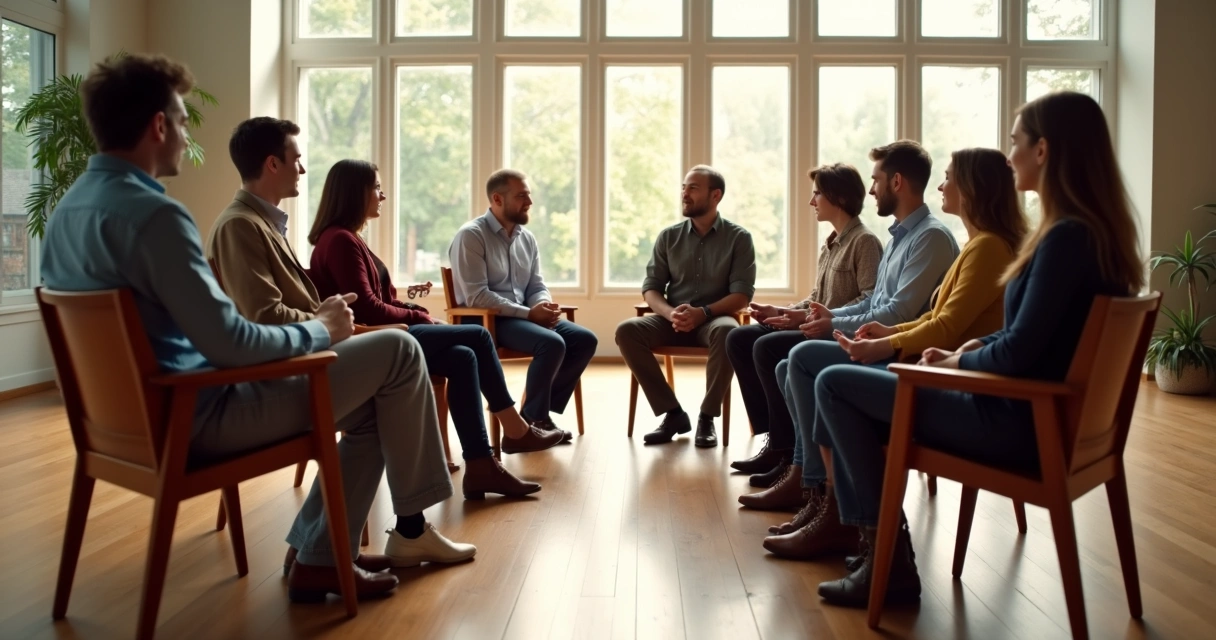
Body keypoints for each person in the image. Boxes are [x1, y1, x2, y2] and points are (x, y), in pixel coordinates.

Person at [40, 55, 473, 605]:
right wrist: (320, 330)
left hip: (123, 424)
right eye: (182, 119)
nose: (185, 133)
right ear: (158, 126)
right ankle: (400, 530)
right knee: (398, 352)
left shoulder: (66, 213)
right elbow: (231, 340)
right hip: (194, 419)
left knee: (374, 404)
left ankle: (326, 553)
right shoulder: (155, 216)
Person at [811, 91, 1144, 607]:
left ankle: (885, 558)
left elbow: (1017, 354)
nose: (1009, 156)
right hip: (1043, 419)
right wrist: (976, 345)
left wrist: (955, 359)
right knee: (850, 388)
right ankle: (871, 542)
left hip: (1015, 424)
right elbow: (1033, 336)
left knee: (834, 384)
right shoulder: (1097, 237)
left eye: (1016, 143)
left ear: (1044, 151)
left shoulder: (1063, 240)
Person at [761, 147, 1027, 558]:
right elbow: (933, 318)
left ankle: (833, 506)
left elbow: (944, 327)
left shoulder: (984, 247)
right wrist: (888, 332)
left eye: (950, 177)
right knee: (795, 364)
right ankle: (824, 499)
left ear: (972, 189)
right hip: (939, 367)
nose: (941, 184)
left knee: (811, 368)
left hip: (946, 379)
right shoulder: (976, 245)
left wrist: (883, 342)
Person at [307, 159, 565, 485]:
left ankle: (481, 465)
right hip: (371, 338)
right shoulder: (341, 241)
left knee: (462, 357)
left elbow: (383, 299)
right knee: (479, 337)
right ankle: (516, 430)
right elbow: (369, 309)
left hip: (384, 330)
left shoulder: (348, 239)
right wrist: (419, 316)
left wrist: (420, 312)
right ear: (353, 193)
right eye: (376, 187)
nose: (382, 195)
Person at [742, 140, 958, 517]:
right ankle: (808, 480)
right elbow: (872, 303)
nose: (870, 189)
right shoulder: (899, 238)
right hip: (875, 341)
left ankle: (813, 487)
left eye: (876, 180)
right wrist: (821, 317)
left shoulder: (930, 238)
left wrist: (830, 322)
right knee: (783, 364)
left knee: (797, 356)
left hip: (898, 352)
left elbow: (895, 313)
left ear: (896, 182)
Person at [725, 163, 882, 481]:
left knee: (766, 347)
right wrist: (780, 311)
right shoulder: (831, 243)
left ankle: (785, 449)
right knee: (739, 339)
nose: (812, 202)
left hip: (834, 333)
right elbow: (815, 297)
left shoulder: (864, 242)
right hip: (811, 324)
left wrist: (809, 316)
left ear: (836, 197)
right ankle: (774, 439)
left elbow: (870, 298)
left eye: (817, 194)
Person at [447, 169, 598, 440]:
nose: (529, 202)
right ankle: (533, 423)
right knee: (551, 343)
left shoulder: (526, 238)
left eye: (529, 195)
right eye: (521, 196)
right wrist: (530, 314)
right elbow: (476, 296)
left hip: (521, 317)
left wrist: (544, 305)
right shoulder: (471, 236)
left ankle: (533, 415)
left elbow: (536, 286)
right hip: (485, 319)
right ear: (497, 199)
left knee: (584, 340)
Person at [615, 165, 757, 448]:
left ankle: (707, 416)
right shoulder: (668, 237)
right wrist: (670, 313)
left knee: (730, 332)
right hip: (672, 319)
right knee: (627, 331)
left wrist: (702, 313)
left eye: (693, 188)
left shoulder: (739, 238)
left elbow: (741, 296)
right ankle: (673, 414)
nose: (684, 194)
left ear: (715, 195)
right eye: (683, 187)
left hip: (714, 320)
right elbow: (651, 287)